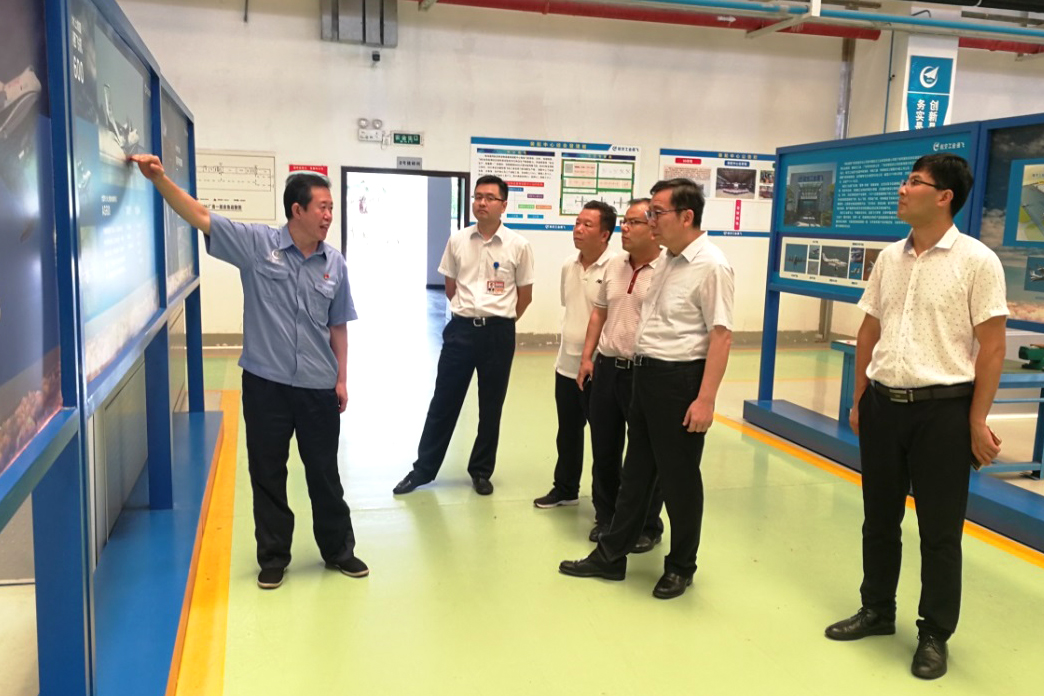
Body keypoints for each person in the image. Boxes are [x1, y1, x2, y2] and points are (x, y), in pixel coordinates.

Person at [131, 155, 366, 590]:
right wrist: (160, 179)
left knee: (324, 474)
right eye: (322, 208)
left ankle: (339, 551)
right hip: (265, 385)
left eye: (332, 208)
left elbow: (338, 326)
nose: (329, 216)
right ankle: (274, 557)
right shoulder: (258, 245)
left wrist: (341, 379)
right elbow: (201, 216)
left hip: (317, 386)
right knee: (267, 472)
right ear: (297, 210)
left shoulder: (335, 263)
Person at [824, 153, 1007, 679]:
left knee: (939, 531)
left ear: (944, 196)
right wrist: (860, 397)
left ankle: (934, 634)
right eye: (906, 180)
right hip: (883, 406)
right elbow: (869, 329)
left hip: (942, 412)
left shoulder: (977, 261)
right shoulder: (890, 258)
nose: (902, 189)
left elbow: (992, 347)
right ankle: (877, 609)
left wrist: (977, 419)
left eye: (914, 182)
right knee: (879, 518)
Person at [559, 178, 734, 600]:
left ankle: (681, 566)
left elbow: (722, 335)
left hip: (679, 381)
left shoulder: (711, 265)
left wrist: (705, 399)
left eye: (657, 213)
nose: (650, 220)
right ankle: (611, 555)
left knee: (679, 480)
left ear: (686, 217)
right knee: (636, 475)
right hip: (646, 376)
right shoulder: (668, 261)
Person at [393, 175, 534, 496]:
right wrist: (469, 314)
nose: (481, 203)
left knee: (491, 406)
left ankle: (481, 471)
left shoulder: (519, 246)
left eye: (489, 198)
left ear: (503, 205)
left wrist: (500, 320)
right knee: (443, 402)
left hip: (498, 334)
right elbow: (450, 287)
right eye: (477, 196)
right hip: (460, 332)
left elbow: (525, 296)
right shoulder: (457, 240)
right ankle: (423, 470)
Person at [573, 198, 665, 551]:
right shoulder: (614, 265)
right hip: (608, 368)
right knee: (604, 449)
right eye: (624, 221)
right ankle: (607, 518)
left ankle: (646, 525)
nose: (624, 228)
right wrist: (587, 357)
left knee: (646, 455)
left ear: (653, 227)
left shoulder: (666, 270)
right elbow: (599, 313)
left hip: (644, 373)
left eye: (633, 222)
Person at [532, 201, 616, 513]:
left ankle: (605, 505)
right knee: (567, 432)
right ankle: (565, 488)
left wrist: (592, 357)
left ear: (605, 234)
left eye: (587, 225)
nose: (578, 229)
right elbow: (571, 309)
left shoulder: (617, 267)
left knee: (604, 440)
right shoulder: (569, 265)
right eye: (577, 223)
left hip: (598, 367)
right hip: (566, 364)